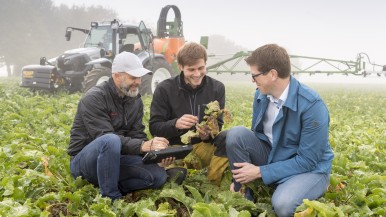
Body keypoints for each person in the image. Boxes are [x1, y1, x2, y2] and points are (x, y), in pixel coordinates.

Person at [226, 44, 334, 217]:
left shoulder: (312, 105)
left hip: (309, 169)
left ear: (273, 74)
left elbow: (308, 161)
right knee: (236, 134)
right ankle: (245, 192)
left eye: (255, 76)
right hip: (274, 155)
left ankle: (292, 186)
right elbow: (258, 135)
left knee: (283, 205)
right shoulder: (261, 95)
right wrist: (243, 176)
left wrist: (260, 171)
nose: (253, 81)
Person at [68, 51, 177, 200]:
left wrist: (155, 157)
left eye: (139, 77)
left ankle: (108, 183)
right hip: (85, 162)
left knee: (158, 177)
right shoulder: (94, 98)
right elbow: (103, 138)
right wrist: (142, 146)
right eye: (133, 77)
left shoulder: (135, 100)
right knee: (110, 140)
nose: (138, 82)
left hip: (116, 159)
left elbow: (137, 134)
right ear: (117, 75)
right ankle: (111, 198)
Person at [149, 42, 228, 184]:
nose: (197, 74)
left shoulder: (217, 88)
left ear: (205, 64)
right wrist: (176, 124)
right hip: (174, 149)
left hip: (202, 147)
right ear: (180, 67)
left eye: (201, 68)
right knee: (174, 174)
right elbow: (154, 127)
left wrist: (207, 135)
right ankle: (173, 170)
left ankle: (214, 183)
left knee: (228, 140)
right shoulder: (164, 89)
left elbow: (219, 125)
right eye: (191, 70)